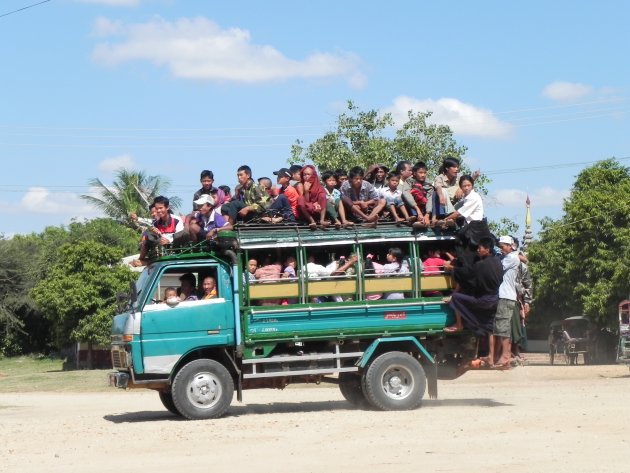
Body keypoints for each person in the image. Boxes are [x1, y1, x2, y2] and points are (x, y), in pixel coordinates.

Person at [443, 237, 503, 339]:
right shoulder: (497, 261)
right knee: (490, 326)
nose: (478, 250)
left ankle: (459, 325)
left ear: (487, 250)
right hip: (495, 299)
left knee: (456, 297)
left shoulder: (481, 265)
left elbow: (467, 273)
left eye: (480, 248)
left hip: (485, 300)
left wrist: (452, 268)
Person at [486, 235, 521, 368]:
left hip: (506, 296)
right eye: (499, 247)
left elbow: (496, 268)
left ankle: (505, 357)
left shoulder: (511, 258)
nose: (501, 249)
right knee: (499, 327)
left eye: (503, 246)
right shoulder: (507, 257)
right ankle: (499, 356)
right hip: (504, 296)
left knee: (503, 327)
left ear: (509, 246)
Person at [132, 196, 186, 267]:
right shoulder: (156, 223)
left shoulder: (176, 220)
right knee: (148, 235)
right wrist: (153, 231)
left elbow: (180, 235)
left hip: (174, 246)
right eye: (157, 209)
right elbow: (153, 234)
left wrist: (169, 240)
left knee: (184, 233)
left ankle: (147, 262)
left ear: (167, 208)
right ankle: (141, 259)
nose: (159, 211)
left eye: (161, 208)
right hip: (161, 245)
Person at [297, 165, 327, 230]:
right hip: (307, 210)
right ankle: (312, 221)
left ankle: (322, 220)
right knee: (300, 199)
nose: (306, 177)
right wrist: (306, 191)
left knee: (323, 196)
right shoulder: (300, 184)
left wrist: (316, 203)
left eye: (308, 174)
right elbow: (306, 201)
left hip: (317, 209)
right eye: (304, 175)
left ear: (313, 175)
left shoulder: (318, 185)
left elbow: (322, 198)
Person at [407, 162, 433, 228]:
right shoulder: (409, 181)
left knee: (435, 194)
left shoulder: (429, 184)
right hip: (414, 208)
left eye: (424, 173)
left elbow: (429, 199)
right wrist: (418, 211)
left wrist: (427, 214)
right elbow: (406, 195)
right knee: (414, 191)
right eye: (420, 173)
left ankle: (425, 219)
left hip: (425, 207)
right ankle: (416, 218)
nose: (423, 175)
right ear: (415, 173)